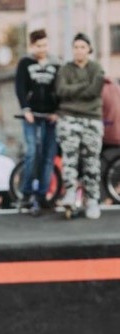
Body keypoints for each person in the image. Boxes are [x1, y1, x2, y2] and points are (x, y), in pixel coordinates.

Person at [55, 33, 105, 219]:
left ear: (89, 49)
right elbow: (61, 91)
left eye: (82, 47)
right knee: (69, 159)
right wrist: (82, 86)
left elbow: (94, 91)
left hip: (91, 118)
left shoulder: (96, 68)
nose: (78, 50)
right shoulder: (65, 69)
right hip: (68, 118)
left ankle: (92, 200)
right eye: (75, 47)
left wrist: (73, 91)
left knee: (91, 161)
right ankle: (69, 192)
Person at [15, 29, 60, 216]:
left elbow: (59, 89)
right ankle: (26, 193)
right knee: (32, 151)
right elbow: (20, 87)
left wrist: (57, 111)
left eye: (45, 45)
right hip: (31, 115)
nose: (43, 49)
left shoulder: (56, 65)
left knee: (49, 155)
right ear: (32, 46)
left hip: (50, 116)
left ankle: (42, 195)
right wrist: (26, 109)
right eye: (39, 45)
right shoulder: (25, 63)